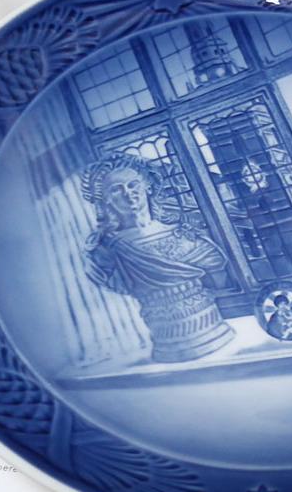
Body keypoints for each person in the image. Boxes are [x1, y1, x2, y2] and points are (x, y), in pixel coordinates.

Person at [81, 152, 234, 363]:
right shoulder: (105, 250)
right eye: (116, 189)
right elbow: (102, 281)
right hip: (165, 344)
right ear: (105, 199)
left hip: (217, 334)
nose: (128, 194)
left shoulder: (185, 234)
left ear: (148, 187)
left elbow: (217, 270)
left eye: (133, 185)